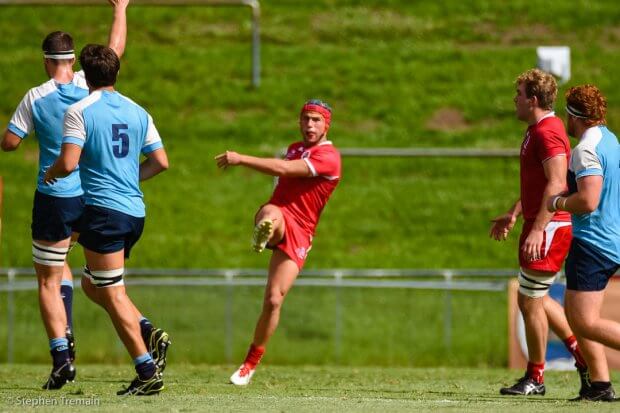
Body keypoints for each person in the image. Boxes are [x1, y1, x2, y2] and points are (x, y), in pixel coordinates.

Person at [0, 0, 168, 391]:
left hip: (57, 194)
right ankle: (144, 330)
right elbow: (115, 52)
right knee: (94, 282)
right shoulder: (89, 86)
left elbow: (10, 143)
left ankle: (63, 356)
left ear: (46, 61)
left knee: (49, 277)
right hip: (94, 198)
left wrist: (39, 147)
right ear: (74, 60)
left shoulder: (36, 96)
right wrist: (120, 9)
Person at [44, 44, 169, 395]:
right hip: (134, 213)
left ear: (85, 75)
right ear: (116, 72)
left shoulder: (79, 110)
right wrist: (129, 177)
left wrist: (51, 174)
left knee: (112, 294)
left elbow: (68, 163)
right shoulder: (138, 110)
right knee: (92, 285)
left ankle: (147, 370)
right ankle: (147, 333)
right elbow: (161, 162)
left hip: (103, 212)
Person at [215, 99, 341, 385]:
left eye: (316, 120)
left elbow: (283, 171)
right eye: (305, 119)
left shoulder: (329, 157)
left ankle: (249, 364)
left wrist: (241, 158)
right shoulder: (295, 148)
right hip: (280, 213)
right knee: (272, 214)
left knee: (273, 300)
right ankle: (265, 231)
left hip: (302, 230)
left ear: (326, 125)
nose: (309, 125)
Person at [490, 69, 588, 396]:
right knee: (537, 297)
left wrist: (538, 228)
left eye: (518, 94)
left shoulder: (547, 132)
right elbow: (540, 183)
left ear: (532, 100)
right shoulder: (540, 128)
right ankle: (583, 360)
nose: (514, 100)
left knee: (529, 299)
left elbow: (558, 183)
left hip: (551, 227)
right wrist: (514, 213)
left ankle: (536, 378)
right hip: (545, 224)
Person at [547, 84, 620, 402]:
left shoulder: (584, 149)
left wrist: (557, 203)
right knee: (580, 317)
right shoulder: (610, 139)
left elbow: (588, 200)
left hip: (593, 241)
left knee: (583, 320)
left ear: (573, 116)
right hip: (610, 237)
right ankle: (600, 386)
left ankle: (600, 385)